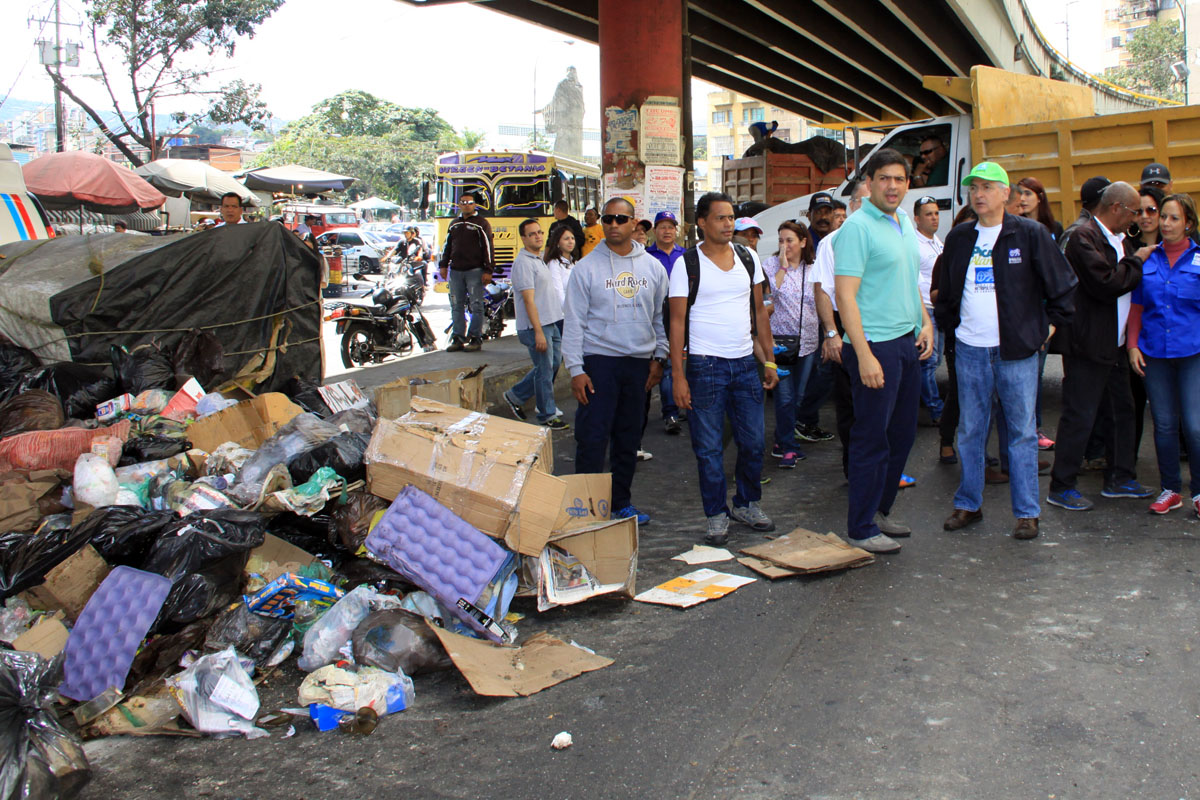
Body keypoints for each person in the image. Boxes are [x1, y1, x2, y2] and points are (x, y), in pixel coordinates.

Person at [935, 162, 1078, 541]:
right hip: (970, 350)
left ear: (1005, 195)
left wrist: (1043, 332)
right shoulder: (960, 237)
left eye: (987, 187)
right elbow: (946, 288)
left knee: (1021, 433)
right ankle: (968, 504)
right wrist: (953, 326)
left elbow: (1063, 286)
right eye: (973, 188)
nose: (978, 194)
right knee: (970, 431)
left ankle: (1027, 512)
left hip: (1016, 352)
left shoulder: (1029, 234)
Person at [833, 148, 934, 554]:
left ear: (908, 184)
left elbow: (909, 280)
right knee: (871, 439)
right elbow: (845, 295)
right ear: (870, 183)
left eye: (900, 179)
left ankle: (880, 510)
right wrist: (864, 354)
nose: (892, 186)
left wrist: (924, 322)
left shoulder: (904, 221)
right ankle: (860, 526)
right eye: (884, 179)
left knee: (902, 435)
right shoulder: (858, 228)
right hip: (874, 344)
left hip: (907, 341)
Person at [670, 192, 777, 545]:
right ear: (701, 222)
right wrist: (679, 376)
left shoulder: (748, 257)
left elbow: (759, 312)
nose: (729, 224)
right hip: (705, 367)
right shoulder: (687, 265)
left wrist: (769, 359)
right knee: (709, 449)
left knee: (754, 442)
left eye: (731, 217)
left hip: (746, 363)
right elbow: (677, 322)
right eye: (720, 218)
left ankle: (746, 503)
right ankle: (716, 514)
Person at [1047, 181, 1155, 511]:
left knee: (1123, 412)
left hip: (1116, 343)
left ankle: (1120, 478)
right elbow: (1107, 283)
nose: (1137, 218)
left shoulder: (1120, 239)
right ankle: (1061, 485)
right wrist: (1137, 260)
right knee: (1080, 415)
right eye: (1134, 211)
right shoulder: (1083, 237)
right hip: (1088, 344)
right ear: (1116, 209)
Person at [562, 197, 669, 526]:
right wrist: (576, 370)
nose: (612, 225)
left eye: (620, 219)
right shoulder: (585, 268)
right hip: (599, 363)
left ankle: (621, 502)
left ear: (634, 223)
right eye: (607, 219)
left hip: (637, 364)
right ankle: (587, 507)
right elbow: (574, 322)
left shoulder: (652, 268)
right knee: (592, 437)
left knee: (627, 438)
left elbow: (659, 318)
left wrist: (660, 357)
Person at [1127, 193, 1200, 516]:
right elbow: (1137, 307)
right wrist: (1132, 345)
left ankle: (1198, 492)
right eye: (1164, 217)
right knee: (1165, 424)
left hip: (1192, 353)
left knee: (1195, 425)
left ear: (1189, 224)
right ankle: (1170, 489)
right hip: (1154, 353)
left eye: (1174, 218)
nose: (1166, 223)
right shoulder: (1147, 259)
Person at [805, 179, 870, 471]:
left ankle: (883, 466)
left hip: (884, 327)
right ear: (853, 205)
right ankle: (854, 466)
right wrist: (832, 333)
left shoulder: (895, 233)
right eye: (865, 201)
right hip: (845, 325)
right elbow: (822, 289)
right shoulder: (833, 242)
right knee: (851, 401)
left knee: (885, 402)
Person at [762, 221, 818, 469]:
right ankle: (789, 448)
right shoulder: (770, 266)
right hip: (779, 344)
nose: (785, 246)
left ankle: (780, 440)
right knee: (783, 398)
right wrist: (783, 267)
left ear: (803, 242)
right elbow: (768, 295)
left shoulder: (813, 268)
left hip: (807, 342)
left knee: (797, 397)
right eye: (781, 240)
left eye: (790, 241)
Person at [504, 219, 568, 430]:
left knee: (552, 365)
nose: (538, 236)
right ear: (523, 238)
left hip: (552, 321)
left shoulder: (538, 259)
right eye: (532, 234)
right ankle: (547, 414)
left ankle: (515, 396)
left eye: (540, 232)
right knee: (544, 370)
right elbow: (529, 301)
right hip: (536, 326)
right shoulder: (523, 263)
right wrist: (538, 331)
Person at [646, 211, 685, 434]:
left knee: (678, 361)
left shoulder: (685, 255)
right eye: (662, 227)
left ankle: (680, 406)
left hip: (681, 314)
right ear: (655, 230)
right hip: (655, 314)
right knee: (665, 361)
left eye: (671, 227)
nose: (667, 231)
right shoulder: (647, 256)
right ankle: (670, 412)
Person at [441, 191, 494, 353]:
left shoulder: (481, 223)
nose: (466, 205)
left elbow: (488, 248)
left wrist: (488, 269)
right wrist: (443, 265)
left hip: (475, 270)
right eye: (462, 202)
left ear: (474, 205)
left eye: (469, 202)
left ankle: (475, 337)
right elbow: (447, 246)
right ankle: (458, 337)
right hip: (456, 271)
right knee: (456, 304)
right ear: (459, 205)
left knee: (476, 305)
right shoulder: (454, 224)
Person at [914, 195, 944, 426]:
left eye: (936, 213)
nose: (934, 218)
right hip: (925, 310)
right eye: (928, 214)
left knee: (935, 361)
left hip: (939, 308)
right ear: (917, 219)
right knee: (928, 361)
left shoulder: (937, 241)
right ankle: (936, 410)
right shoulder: (914, 245)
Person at [543, 224, 577, 312]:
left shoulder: (575, 263)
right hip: (563, 315)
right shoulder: (554, 264)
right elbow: (558, 294)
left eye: (572, 238)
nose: (571, 241)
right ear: (557, 243)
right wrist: (571, 313)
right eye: (566, 239)